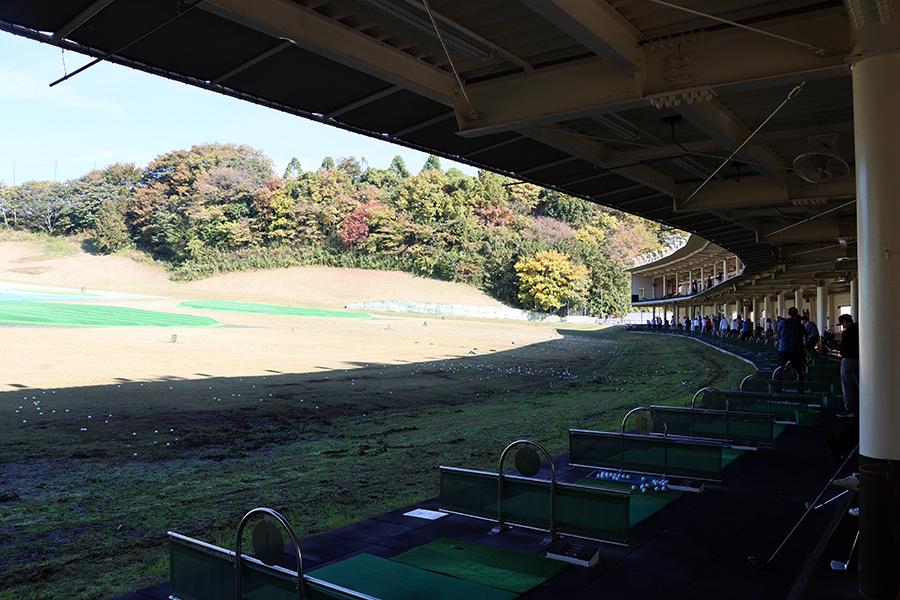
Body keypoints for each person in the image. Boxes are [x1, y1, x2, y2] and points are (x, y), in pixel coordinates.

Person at [837, 314, 859, 417]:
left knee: (846, 386)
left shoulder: (846, 333)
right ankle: (866, 405)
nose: (843, 326)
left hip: (848, 360)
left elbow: (843, 348)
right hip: (860, 360)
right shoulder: (859, 328)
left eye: (842, 323)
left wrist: (839, 348)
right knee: (861, 384)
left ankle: (849, 410)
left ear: (846, 321)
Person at [776, 307, 806, 378]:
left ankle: (777, 380)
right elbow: (801, 335)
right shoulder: (799, 324)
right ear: (796, 314)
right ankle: (799, 381)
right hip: (795, 348)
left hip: (783, 347)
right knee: (797, 367)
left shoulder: (782, 323)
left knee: (780, 366)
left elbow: (778, 335)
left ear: (788, 313)